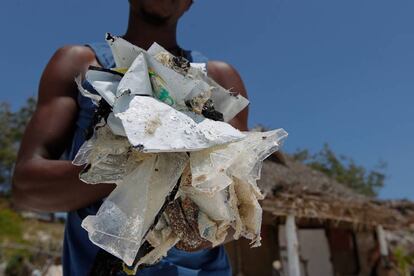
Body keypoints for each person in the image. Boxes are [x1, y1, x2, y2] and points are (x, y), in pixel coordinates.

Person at [12, 0, 248, 275]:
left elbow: (242, 205)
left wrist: (206, 230)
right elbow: (27, 189)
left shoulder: (219, 79)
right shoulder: (80, 64)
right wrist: (139, 164)